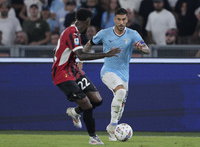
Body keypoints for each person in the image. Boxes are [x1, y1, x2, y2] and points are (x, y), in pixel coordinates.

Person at [51, 8, 121, 145]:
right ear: (88, 22)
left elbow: (59, 49)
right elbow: (81, 55)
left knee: (97, 100)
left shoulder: (72, 31)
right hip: (62, 74)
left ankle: (75, 112)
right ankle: (93, 138)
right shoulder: (72, 32)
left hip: (73, 70)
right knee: (87, 106)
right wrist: (106, 54)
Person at [78, 8, 150, 141]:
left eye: (124, 19)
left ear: (127, 20)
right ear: (114, 19)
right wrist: (81, 59)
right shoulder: (104, 33)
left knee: (121, 103)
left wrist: (142, 48)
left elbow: (147, 50)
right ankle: (113, 126)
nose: (121, 22)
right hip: (108, 71)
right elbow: (88, 44)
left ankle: (112, 126)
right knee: (121, 92)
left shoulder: (133, 34)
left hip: (124, 74)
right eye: (119, 19)